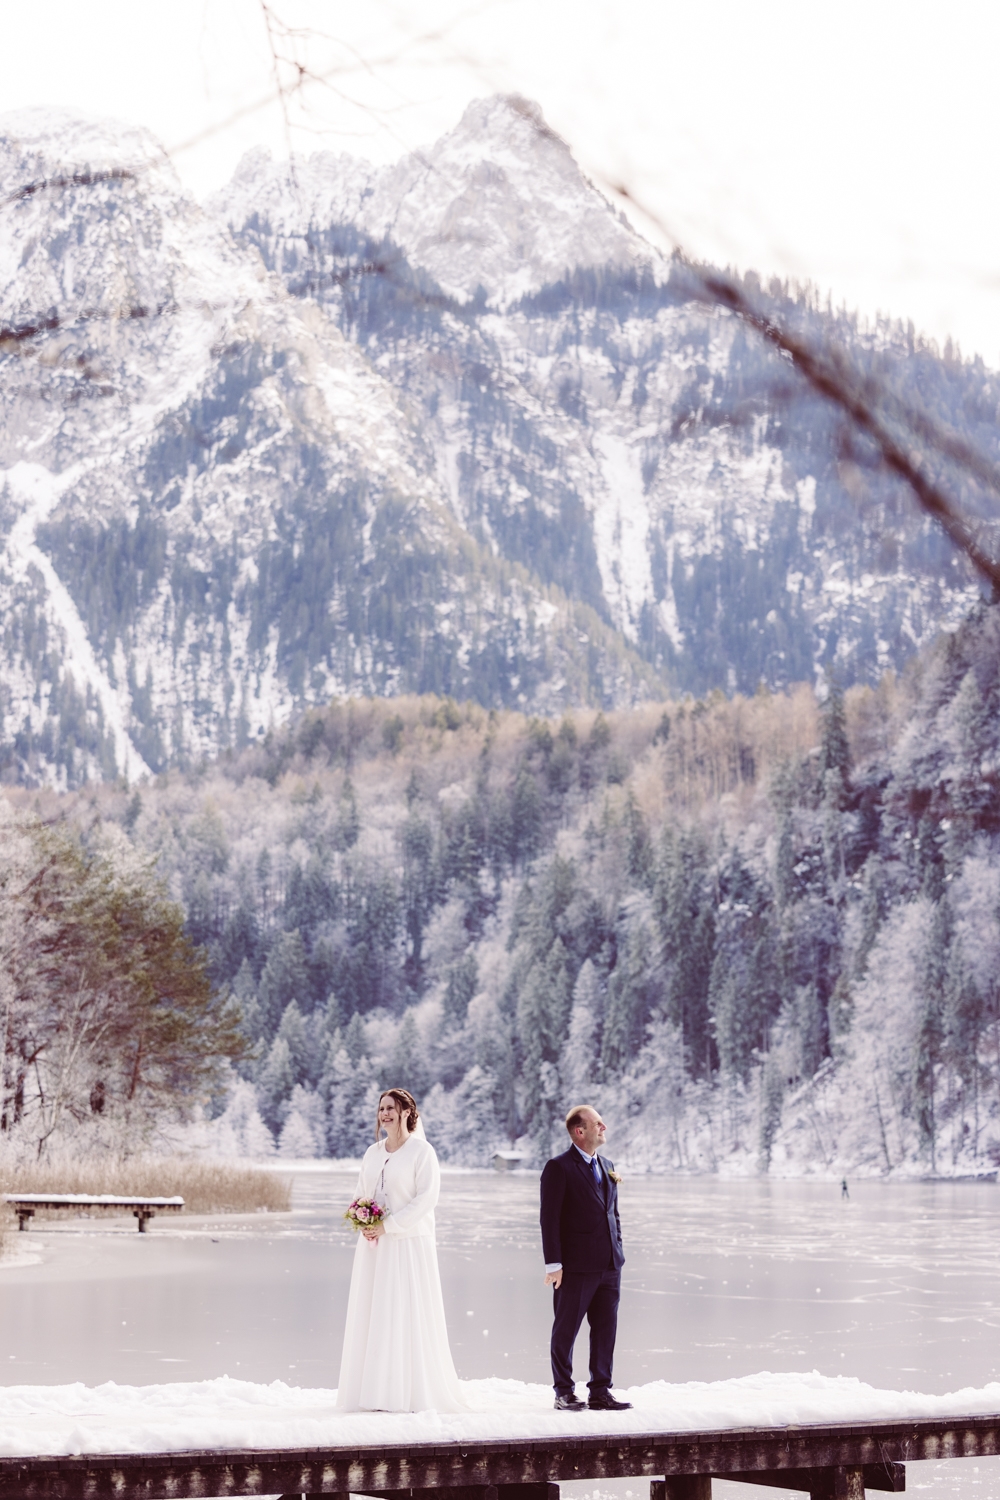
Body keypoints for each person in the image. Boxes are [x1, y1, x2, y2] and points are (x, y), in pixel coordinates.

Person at [336, 1088, 466, 1412]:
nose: (385, 1114)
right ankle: (372, 1392)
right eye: (381, 1108)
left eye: (391, 1108)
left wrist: (389, 1225)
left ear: (407, 1112)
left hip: (407, 1245)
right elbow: (360, 1192)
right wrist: (361, 1219)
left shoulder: (422, 1152)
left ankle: (405, 1392)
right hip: (374, 1247)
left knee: (402, 1313)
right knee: (374, 1312)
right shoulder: (372, 1152)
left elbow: (426, 1199)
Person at [539, 1104, 631, 1412]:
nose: (604, 1127)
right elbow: (549, 1219)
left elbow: (612, 1214)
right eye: (598, 1124)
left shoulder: (607, 1165)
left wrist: (618, 1249)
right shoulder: (559, 1167)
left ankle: (600, 1391)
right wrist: (554, 1265)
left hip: (610, 1265)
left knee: (606, 1330)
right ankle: (563, 1392)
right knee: (566, 1330)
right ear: (580, 1131)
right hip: (575, 1268)